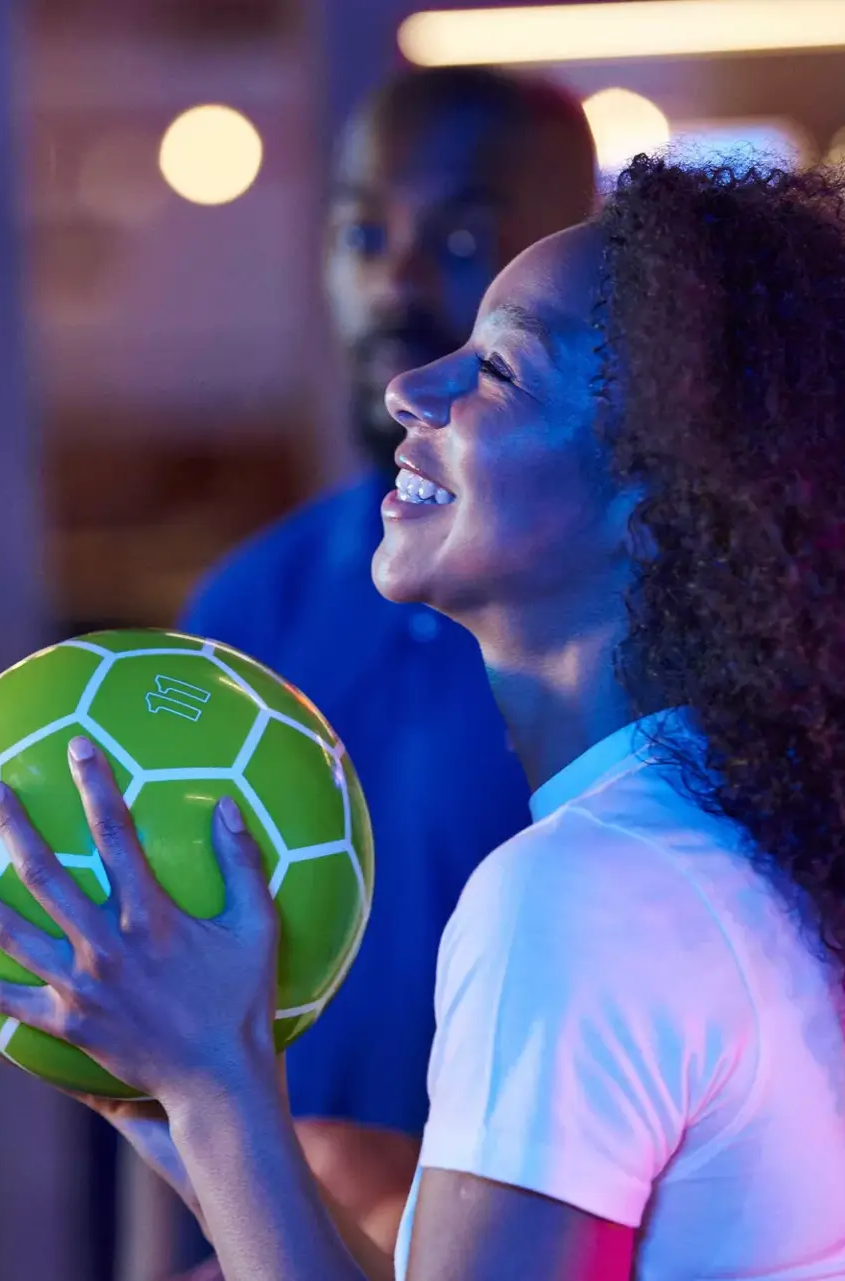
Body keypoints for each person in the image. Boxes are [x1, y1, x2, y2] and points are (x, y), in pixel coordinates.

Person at [0, 158, 845, 1277]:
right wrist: (190, 1117)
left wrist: (213, 1080)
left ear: (658, 514)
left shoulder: (585, 896)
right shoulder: (751, 845)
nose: (415, 388)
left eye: (497, 371)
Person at [176, 64, 598, 1247]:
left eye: (461, 235)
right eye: (363, 231)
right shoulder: (248, 610)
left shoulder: (635, 618)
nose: (393, 285)